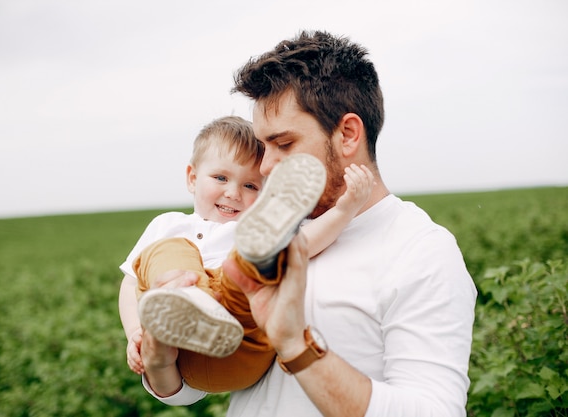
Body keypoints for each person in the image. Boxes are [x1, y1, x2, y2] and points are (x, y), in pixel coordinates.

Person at [136, 30, 478, 417]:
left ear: (347, 134)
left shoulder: (420, 249)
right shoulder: (263, 230)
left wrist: (297, 345)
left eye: (283, 145)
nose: (265, 167)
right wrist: (159, 358)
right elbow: (196, 388)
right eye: (263, 148)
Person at [118, 115, 375, 393]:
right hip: (176, 354)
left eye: (250, 186)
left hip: (239, 343)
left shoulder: (249, 230)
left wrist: (344, 210)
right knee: (167, 249)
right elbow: (130, 283)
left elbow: (305, 244)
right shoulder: (168, 225)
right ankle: (190, 300)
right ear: (192, 178)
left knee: (252, 258)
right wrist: (134, 332)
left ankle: (206, 299)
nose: (233, 193)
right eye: (220, 178)